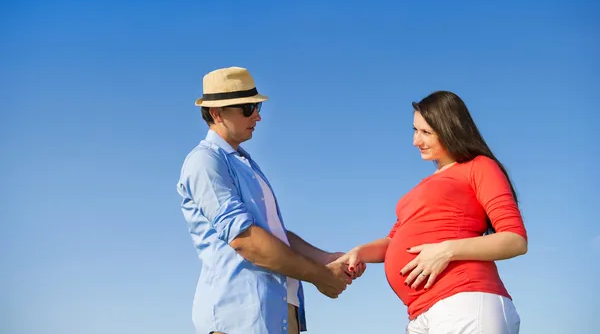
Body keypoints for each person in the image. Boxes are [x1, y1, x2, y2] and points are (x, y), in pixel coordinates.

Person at [176, 67, 363, 334]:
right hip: (238, 320)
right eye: (248, 107)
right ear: (217, 113)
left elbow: (274, 234)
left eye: (257, 106)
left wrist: (327, 259)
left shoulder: (245, 163)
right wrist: (321, 277)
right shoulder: (205, 161)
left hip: (277, 317)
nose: (258, 116)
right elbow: (246, 240)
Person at [338, 90, 528, 333]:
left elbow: (515, 240)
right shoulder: (423, 186)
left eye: (426, 132)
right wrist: (360, 252)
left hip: (465, 300)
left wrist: (445, 251)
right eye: (415, 130)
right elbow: (394, 241)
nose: (416, 141)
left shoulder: (479, 167)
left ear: (451, 129)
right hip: (421, 313)